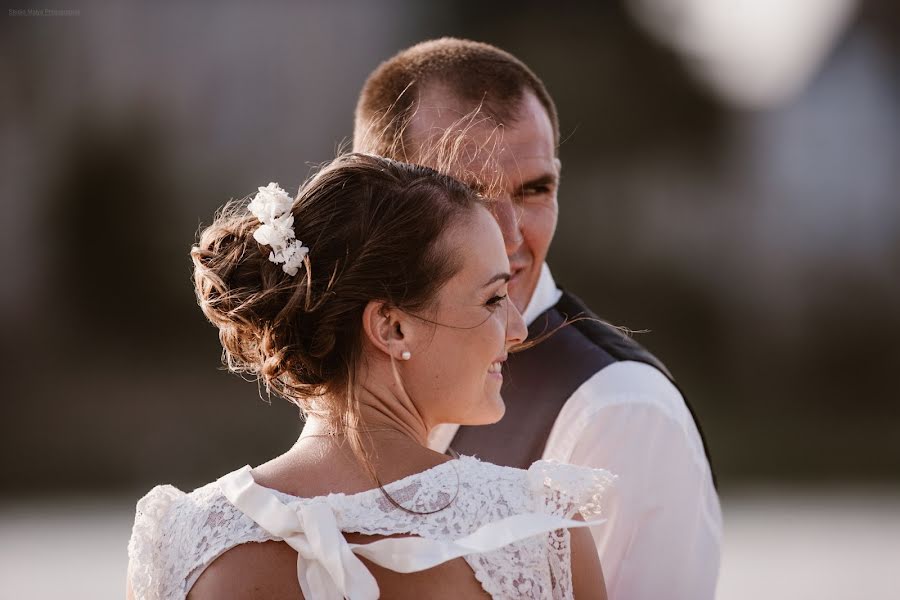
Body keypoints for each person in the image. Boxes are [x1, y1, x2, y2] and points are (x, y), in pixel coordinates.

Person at [125, 153, 614, 600]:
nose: (517, 327)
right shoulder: (538, 531)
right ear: (391, 326)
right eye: (491, 299)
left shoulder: (181, 542)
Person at [353, 38, 722, 600]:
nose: (508, 235)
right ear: (373, 198)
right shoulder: (350, 385)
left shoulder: (620, 412)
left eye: (535, 190)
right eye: (465, 192)